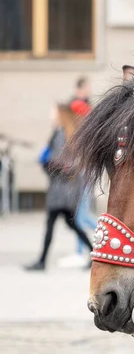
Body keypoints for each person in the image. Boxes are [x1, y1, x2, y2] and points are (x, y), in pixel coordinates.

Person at [25, 103, 93, 271]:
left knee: (54, 224)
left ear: (60, 115)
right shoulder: (69, 133)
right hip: (67, 189)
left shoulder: (61, 134)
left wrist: (46, 163)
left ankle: (41, 261)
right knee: (71, 225)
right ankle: (93, 254)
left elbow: (60, 162)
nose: (51, 114)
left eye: (53, 111)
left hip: (61, 190)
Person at [58, 77, 97, 268]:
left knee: (81, 216)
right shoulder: (79, 106)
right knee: (80, 215)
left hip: (84, 171)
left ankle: (88, 248)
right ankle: (80, 251)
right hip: (84, 171)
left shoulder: (78, 107)